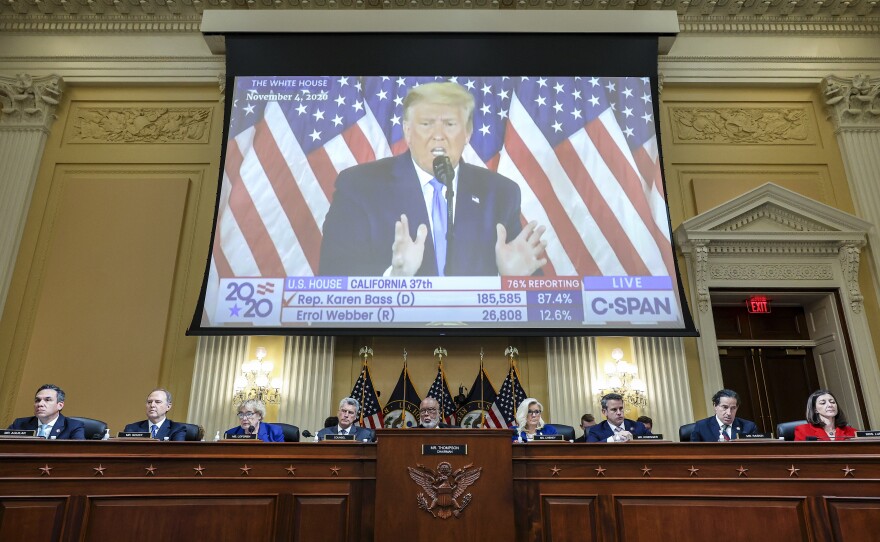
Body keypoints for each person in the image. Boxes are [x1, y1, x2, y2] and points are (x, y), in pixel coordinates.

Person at [319, 81, 547, 277]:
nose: (438, 135)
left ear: (467, 133)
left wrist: (511, 281)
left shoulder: (500, 193)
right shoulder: (360, 186)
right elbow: (333, 278)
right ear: (407, 132)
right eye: (426, 124)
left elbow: (532, 303)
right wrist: (394, 278)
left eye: (449, 124)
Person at [8, 384, 85, 440]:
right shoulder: (19, 424)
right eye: (37, 400)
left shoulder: (73, 426)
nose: (40, 404)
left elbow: (80, 452)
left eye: (48, 400)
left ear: (60, 405)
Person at [690, 389, 759, 442]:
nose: (729, 413)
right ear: (715, 406)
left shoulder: (748, 427)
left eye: (733, 408)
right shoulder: (701, 426)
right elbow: (694, 453)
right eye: (725, 407)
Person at [587, 393, 652, 443]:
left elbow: (654, 441)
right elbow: (590, 449)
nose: (619, 413)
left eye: (621, 408)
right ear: (604, 412)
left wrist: (635, 440)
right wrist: (614, 439)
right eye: (614, 409)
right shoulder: (596, 430)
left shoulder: (638, 426)